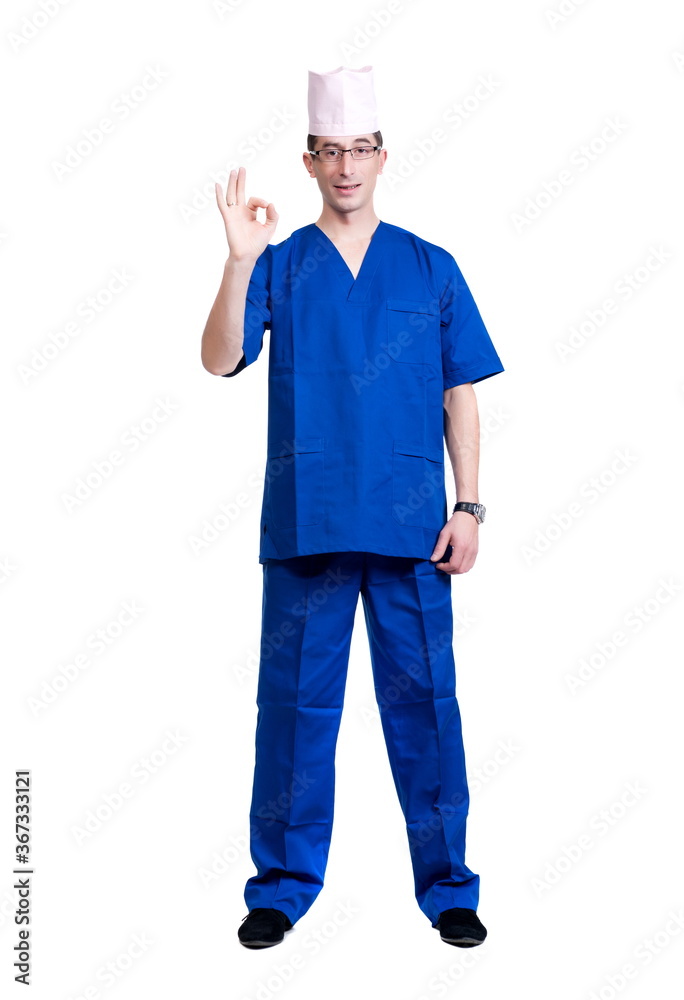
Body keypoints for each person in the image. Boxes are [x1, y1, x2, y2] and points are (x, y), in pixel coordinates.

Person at [201, 65, 504, 949]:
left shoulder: (430, 266)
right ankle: (282, 887)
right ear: (308, 161)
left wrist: (471, 507)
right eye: (329, 151)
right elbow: (221, 359)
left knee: (427, 709)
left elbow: (461, 393)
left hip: (414, 525)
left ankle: (449, 887)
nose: (346, 166)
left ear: (381, 155)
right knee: (294, 712)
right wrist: (236, 261)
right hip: (309, 520)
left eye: (359, 150)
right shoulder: (282, 265)